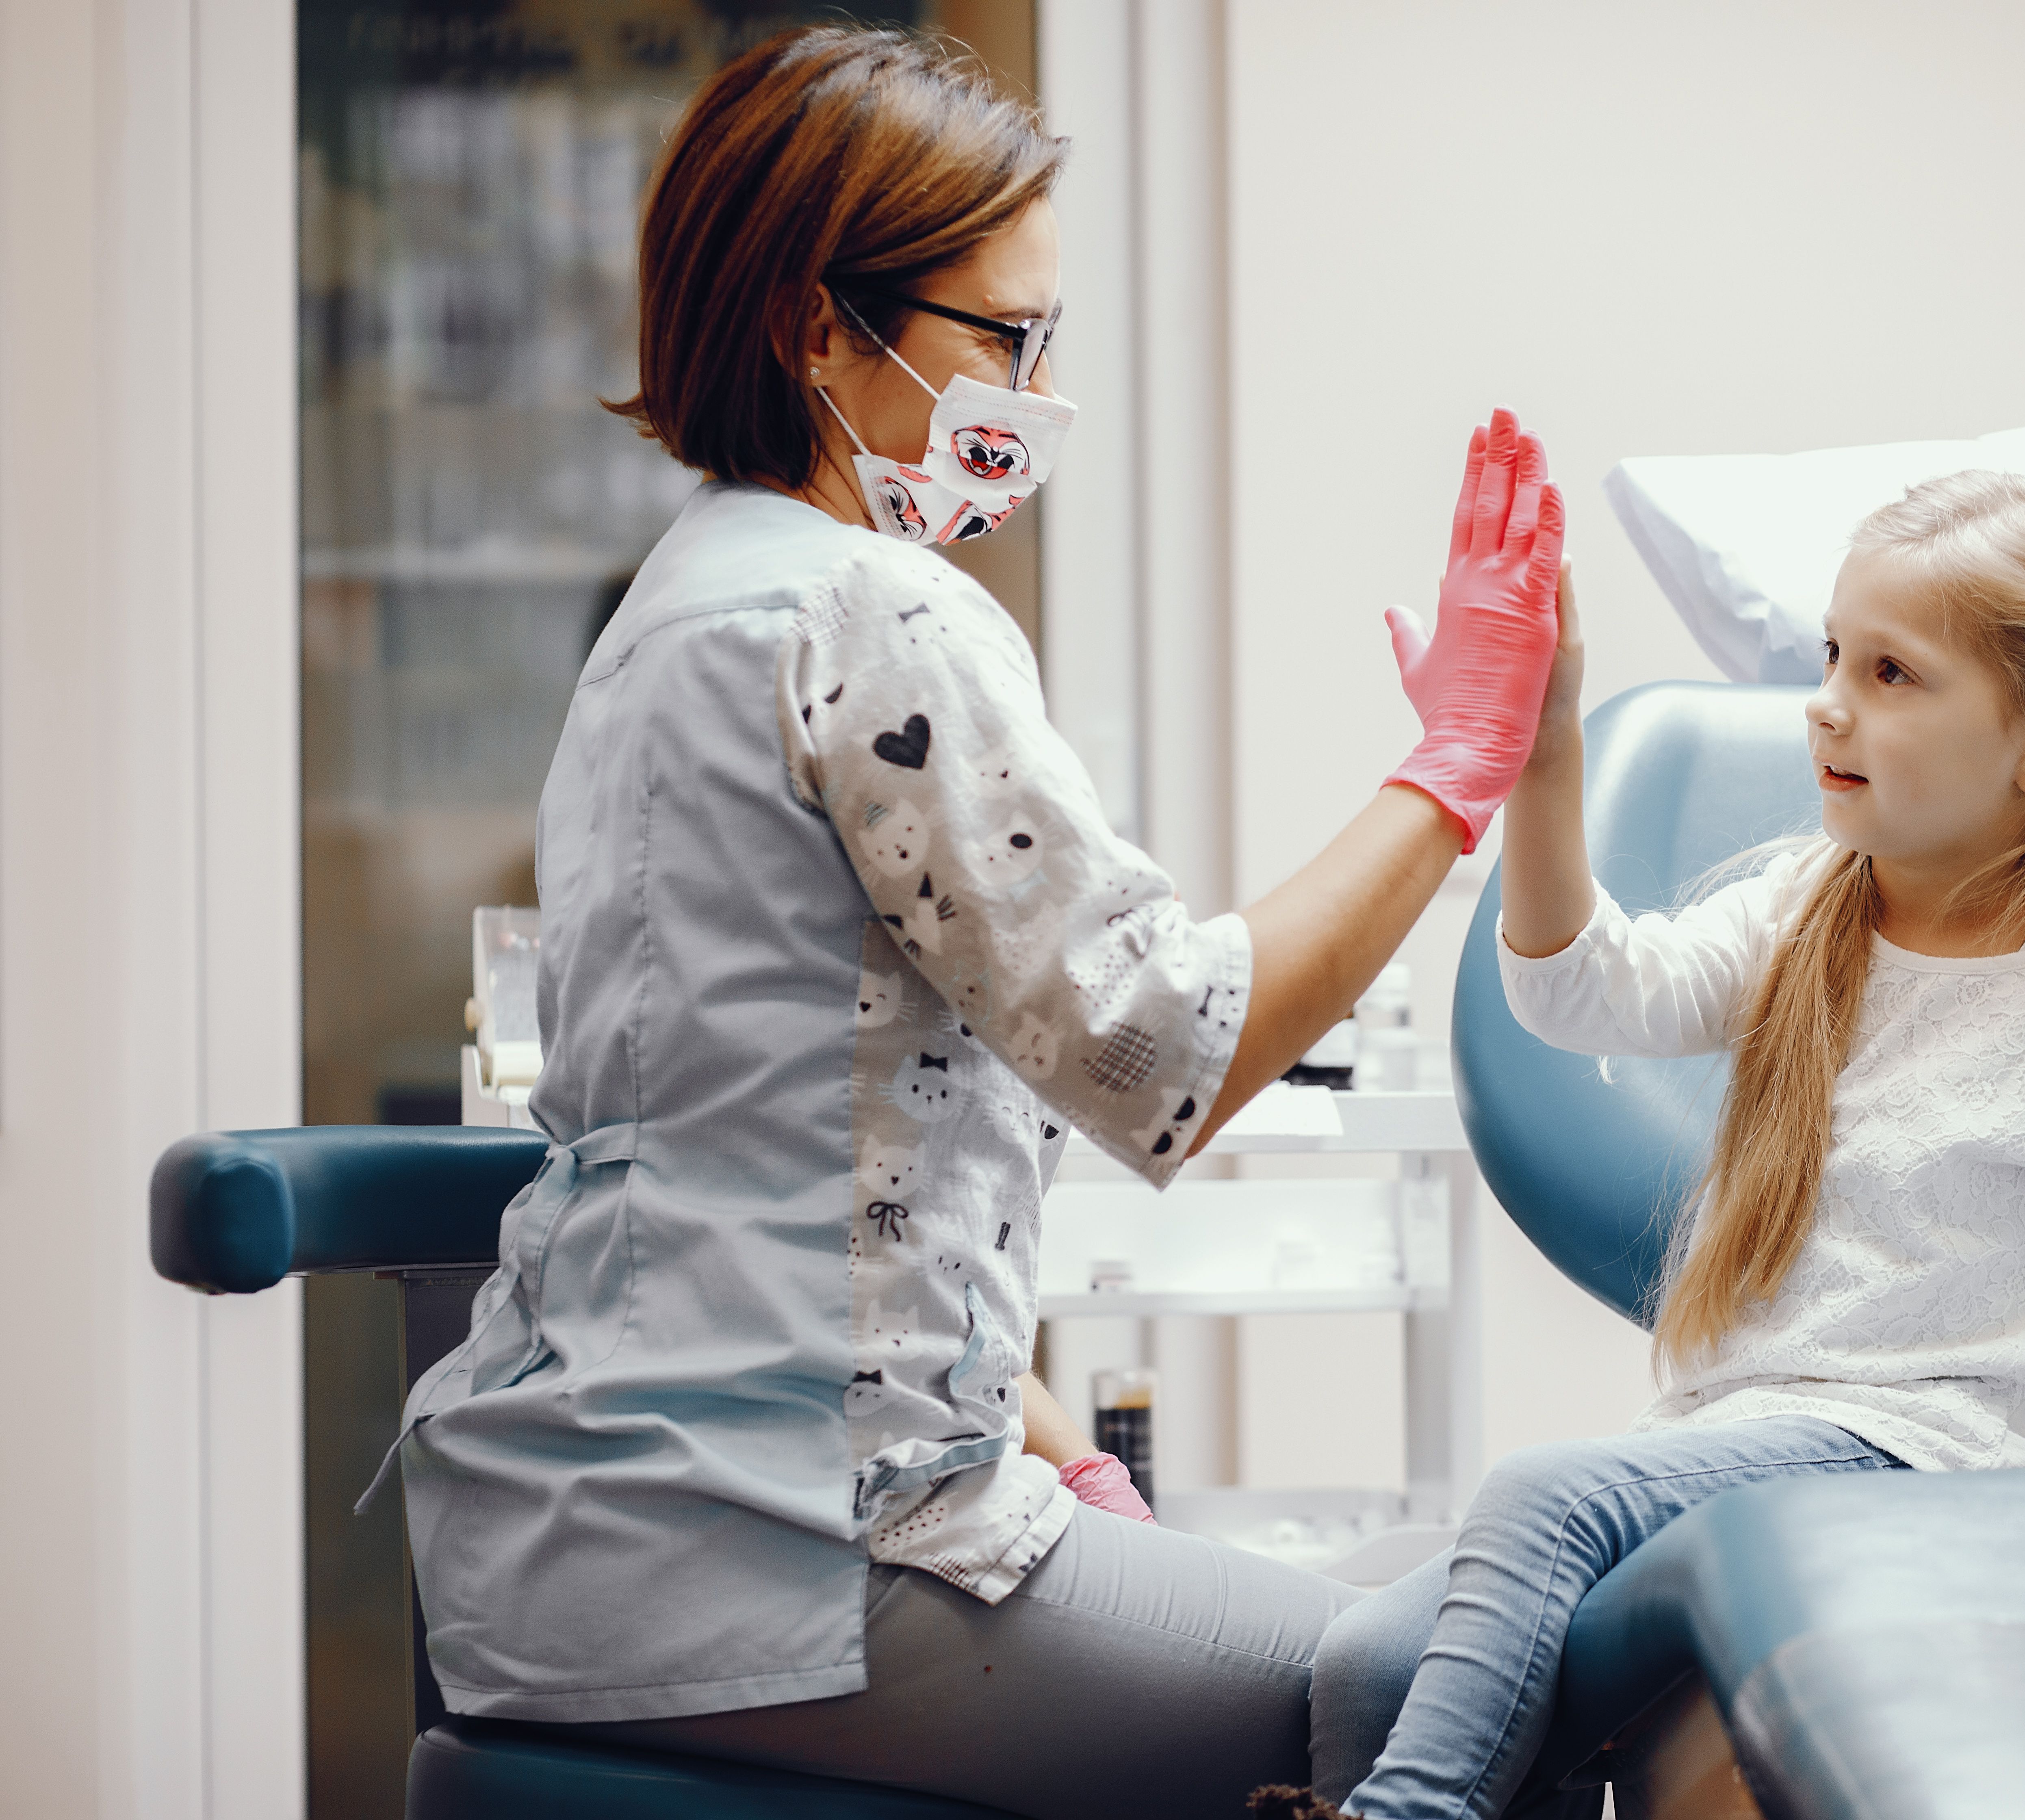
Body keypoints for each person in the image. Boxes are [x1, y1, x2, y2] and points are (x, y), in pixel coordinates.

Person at [371, 28, 1563, 1820]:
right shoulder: (876, 614)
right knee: (1464, 1687)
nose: (1035, 391)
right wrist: (1456, 768)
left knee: (1383, 1609)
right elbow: (1161, 1050)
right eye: (1003, 339)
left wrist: (1058, 1454)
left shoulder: (672, 614)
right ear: (819, 326)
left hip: (570, 1540)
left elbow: (801, 1160)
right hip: (788, 1564)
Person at [1294, 472, 2025, 1820]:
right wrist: (1544, 748)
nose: (1827, 704)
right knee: (1365, 1663)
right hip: (1731, 1445)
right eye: (1831, 655)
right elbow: (1579, 992)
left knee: (1541, 1497)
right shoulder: (1804, 906)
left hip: (1926, 1468)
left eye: (1891, 673)